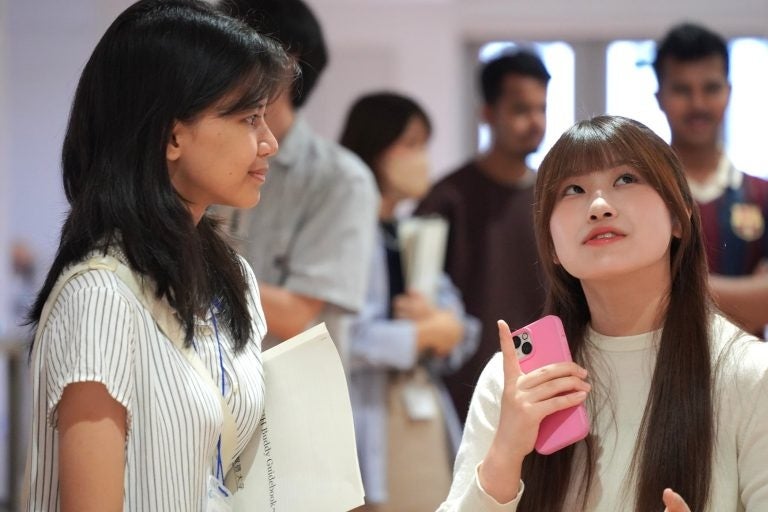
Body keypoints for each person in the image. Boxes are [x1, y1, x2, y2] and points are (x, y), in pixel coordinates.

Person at [22, 1, 294, 509]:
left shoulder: (231, 276)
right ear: (172, 135)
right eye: (250, 118)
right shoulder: (99, 296)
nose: (269, 143)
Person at [439, 115, 768, 511]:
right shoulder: (513, 380)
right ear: (551, 245)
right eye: (573, 190)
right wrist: (505, 453)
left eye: (625, 179)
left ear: (679, 216)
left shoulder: (752, 374)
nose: (597, 206)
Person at [217, 0, 379, 364]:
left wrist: (187, 271)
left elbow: (296, 315)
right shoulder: (206, 161)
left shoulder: (341, 178)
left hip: (295, 390)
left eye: (232, 49)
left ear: (287, 63)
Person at [339, 92, 480, 511]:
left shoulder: (406, 232)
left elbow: (459, 325)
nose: (423, 160)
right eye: (412, 144)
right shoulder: (347, 234)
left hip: (421, 406)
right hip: (370, 412)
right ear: (375, 147)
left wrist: (444, 328)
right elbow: (341, 335)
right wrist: (422, 334)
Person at [415, 49, 550, 422]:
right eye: (521, 109)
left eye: (541, 108)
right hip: (463, 393)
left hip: (543, 379)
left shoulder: (554, 197)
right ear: (488, 113)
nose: (535, 122)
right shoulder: (447, 198)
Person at [653, 22, 768, 334]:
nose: (698, 104)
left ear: (728, 92)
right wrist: (746, 296)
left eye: (711, 88)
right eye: (682, 90)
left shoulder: (762, 195)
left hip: (750, 364)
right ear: (660, 97)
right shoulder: (644, 194)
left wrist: (669, 285)